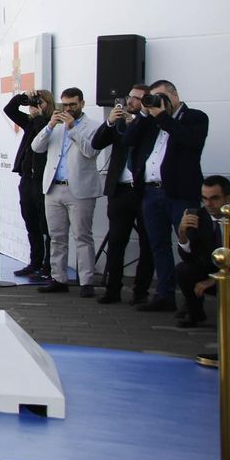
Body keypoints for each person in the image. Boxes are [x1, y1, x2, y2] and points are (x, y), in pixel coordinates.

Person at [128, 79, 210, 314]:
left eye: (162, 96)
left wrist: (163, 117)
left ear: (174, 96)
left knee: (190, 247)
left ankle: (193, 302)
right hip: (151, 192)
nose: (158, 102)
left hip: (181, 193)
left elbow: (191, 141)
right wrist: (144, 115)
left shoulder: (195, 117)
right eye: (153, 97)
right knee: (158, 245)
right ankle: (165, 295)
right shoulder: (152, 120)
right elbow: (128, 141)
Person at [30, 88, 105, 297]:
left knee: (82, 236)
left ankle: (87, 280)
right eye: (65, 105)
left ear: (82, 103)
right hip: (54, 187)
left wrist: (72, 128)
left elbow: (90, 151)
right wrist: (50, 125)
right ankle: (58, 278)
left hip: (79, 189)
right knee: (56, 236)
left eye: (73, 104)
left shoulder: (93, 127)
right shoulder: (56, 125)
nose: (68, 109)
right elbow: (36, 147)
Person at [90, 84, 153, 304]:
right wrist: (109, 122)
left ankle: (140, 291)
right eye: (130, 97)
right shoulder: (118, 123)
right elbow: (97, 143)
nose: (131, 102)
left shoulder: (150, 123)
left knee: (148, 241)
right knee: (117, 240)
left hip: (144, 190)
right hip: (120, 189)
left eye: (137, 98)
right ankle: (112, 289)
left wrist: (135, 123)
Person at [174, 175, 230, 328]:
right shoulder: (198, 217)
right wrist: (182, 233)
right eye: (204, 198)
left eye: (214, 198)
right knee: (183, 269)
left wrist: (216, 279)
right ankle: (195, 312)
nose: (208, 204)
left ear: (228, 198)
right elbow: (188, 257)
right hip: (209, 269)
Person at [2, 89, 54, 279]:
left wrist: (40, 115)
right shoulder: (30, 123)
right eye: (33, 103)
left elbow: (43, 135)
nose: (34, 106)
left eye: (39, 102)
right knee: (31, 222)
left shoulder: (52, 123)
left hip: (43, 181)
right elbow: (9, 110)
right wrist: (22, 98)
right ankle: (35, 262)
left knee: (45, 226)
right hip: (26, 180)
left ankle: (48, 266)